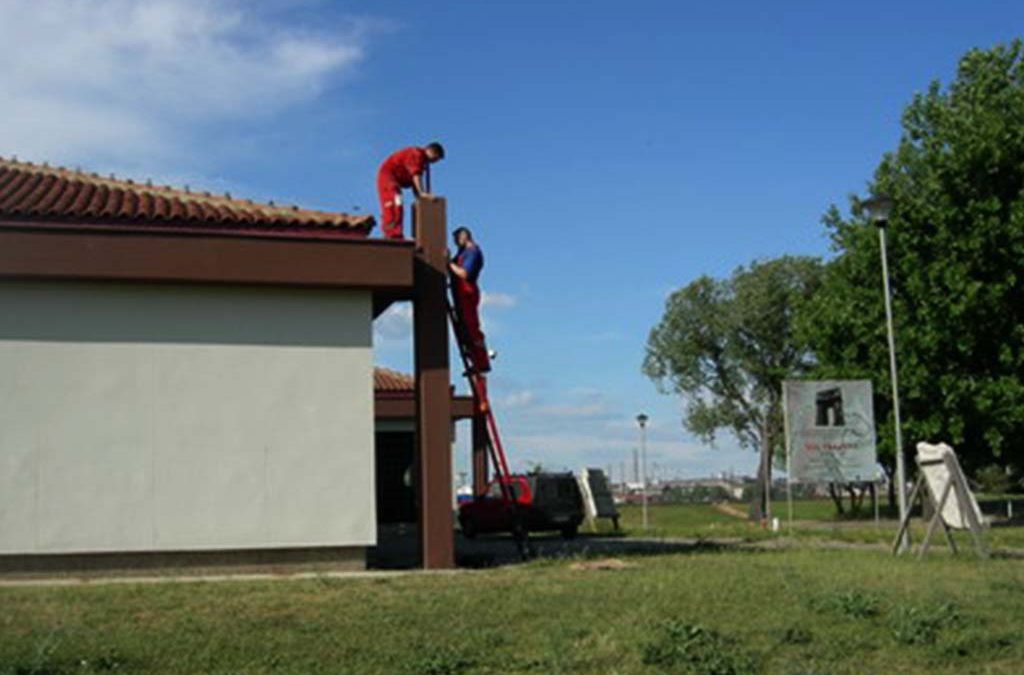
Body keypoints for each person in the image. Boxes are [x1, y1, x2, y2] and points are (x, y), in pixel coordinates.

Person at [376, 142, 445, 240]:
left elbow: (414, 182)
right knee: (394, 204)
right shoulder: (416, 154)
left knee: (398, 204)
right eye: (435, 158)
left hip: (393, 181)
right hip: (387, 178)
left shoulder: (422, 162)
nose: (433, 162)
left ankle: (395, 233)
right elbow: (416, 175)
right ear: (431, 151)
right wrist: (422, 193)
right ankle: (391, 234)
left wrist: (419, 198)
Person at [449, 226, 491, 375]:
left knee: (471, 328)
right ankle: (475, 360)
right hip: (460, 294)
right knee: (465, 329)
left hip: (467, 293)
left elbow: (464, 273)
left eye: (456, 240)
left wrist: (449, 263)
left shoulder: (472, 252)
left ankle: (482, 362)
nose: (455, 244)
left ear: (464, 236)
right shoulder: (463, 253)